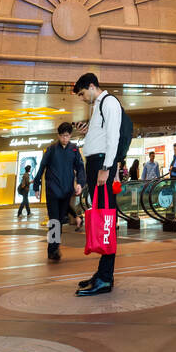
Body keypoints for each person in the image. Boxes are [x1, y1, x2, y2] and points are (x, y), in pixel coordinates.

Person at [74, 73, 122, 296]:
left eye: (83, 93)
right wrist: (89, 133)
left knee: (106, 221)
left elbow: (114, 137)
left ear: (92, 86)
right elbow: (103, 136)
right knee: (103, 217)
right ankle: (103, 273)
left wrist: (106, 167)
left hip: (102, 165)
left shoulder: (109, 102)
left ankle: (105, 278)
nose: (83, 98)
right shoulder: (98, 106)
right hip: (96, 164)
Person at [33, 123, 85, 261]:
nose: (65, 139)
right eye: (62, 136)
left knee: (60, 221)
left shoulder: (74, 149)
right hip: (52, 191)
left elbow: (80, 167)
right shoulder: (51, 149)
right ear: (58, 135)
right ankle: (53, 249)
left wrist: (80, 183)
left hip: (66, 190)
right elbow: (42, 167)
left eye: (67, 136)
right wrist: (36, 186)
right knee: (54, 221)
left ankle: (53, 248)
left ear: (70, 136)